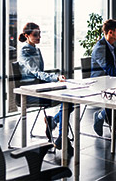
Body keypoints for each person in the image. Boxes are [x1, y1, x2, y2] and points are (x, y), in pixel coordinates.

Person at [18, 22, 73, 155]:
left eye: (39, 34)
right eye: (35, 35)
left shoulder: (37, 50)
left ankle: (54, 122)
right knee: (67, 101)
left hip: (40, 87)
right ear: (27, 35)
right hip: (30, 92)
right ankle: (61, 138)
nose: (39, 37)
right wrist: (55, 78)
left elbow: (40, 73)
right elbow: (37, 72)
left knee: (70, 100)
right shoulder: (24, 52)